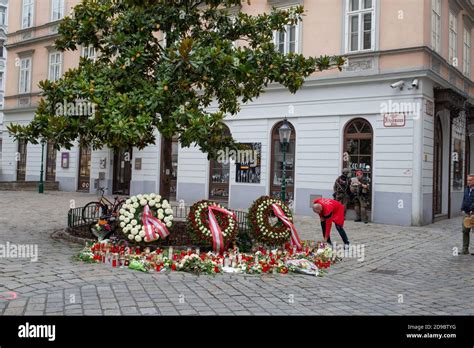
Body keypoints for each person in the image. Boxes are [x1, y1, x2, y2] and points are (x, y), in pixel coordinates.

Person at [461, 174, 474, 255]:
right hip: (466, 213)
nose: (468, 182)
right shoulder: (466, 188)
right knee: (465, 231)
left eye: (470, 180)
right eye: (468, 180)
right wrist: (462, 208)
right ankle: (465, 249)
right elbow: (464, 199)